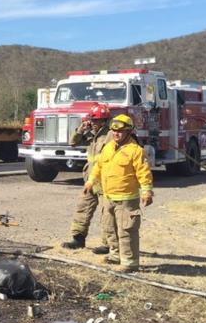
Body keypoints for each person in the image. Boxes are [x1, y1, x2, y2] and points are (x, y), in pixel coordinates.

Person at [84, 114, 153, 272]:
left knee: (126, 231)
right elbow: (98, 166)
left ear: (129, 132)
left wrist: (146, 192)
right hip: (108, 197)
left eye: (120, 131)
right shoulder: (108, 147)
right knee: (110, 229)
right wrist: (91, 181)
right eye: (114, 131)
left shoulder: (136, 151)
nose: (116, 134)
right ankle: (115, 255)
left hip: (126, 199)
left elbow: (144, 173)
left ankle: (130, 263)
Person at [62, 104, 112, 253]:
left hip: (105, 181)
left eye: (96, 121)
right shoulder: (90, 135)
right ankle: (78, 239)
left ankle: (108, 244)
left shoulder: (110, 135)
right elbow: (72, 142)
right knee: (82, 208)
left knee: (107, 214)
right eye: (92, 121)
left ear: (104, 121)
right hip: (90, 179)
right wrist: (81, 130)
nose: (93, 124)